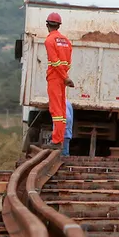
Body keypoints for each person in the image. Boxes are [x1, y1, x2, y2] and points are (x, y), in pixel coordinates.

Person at [44, 12, 74, 149]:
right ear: (59, 25)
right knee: (61, 110)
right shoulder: (66, 41)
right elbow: (68, 62)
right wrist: (65, 76)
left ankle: (56, 141)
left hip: (55, 78)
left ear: (47, 25)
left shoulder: (49, 41)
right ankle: (60, 138)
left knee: (56, 109)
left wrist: (64, 77)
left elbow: (54, 62)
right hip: (62, 78)